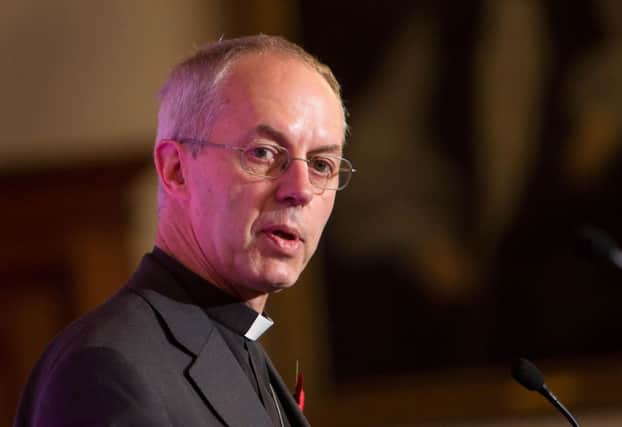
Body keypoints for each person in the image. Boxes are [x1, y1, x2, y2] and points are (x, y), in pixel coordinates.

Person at [14, 34, 353, 427]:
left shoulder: (243, 349)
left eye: (321, 165)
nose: (300, 190)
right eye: (262, 153)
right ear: (176, 170)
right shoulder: (104, 370)